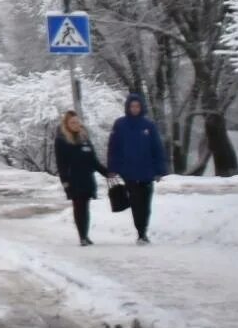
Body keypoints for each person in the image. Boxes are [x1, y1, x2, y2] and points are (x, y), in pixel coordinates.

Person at [106, 92, 170, 244]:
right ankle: (140, 232)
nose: (135, 108)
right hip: (129, 171)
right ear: (128, 107)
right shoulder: (120, 124)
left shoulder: (148, 125)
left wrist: (160, 170)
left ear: (142, 107)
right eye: (132, 106)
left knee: (146, 204)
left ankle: (144, 229)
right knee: (135, 203)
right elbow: (113, 147)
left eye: (137, 106)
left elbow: (157, 148)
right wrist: (113, 167)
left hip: (147, 171)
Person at [53, 110, 109, 246]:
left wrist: (107, 173)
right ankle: (82, 236)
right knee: (79, 207)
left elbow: (93, 161)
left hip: (87, 178)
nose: (76, 124)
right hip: (73, 180)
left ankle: (85, 234)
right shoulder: (61, 141)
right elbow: (61, 164)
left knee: (86, 206)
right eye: (72, 122)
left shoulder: (85, 139)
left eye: (77, 122)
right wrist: (65, 182)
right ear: (66, 124)